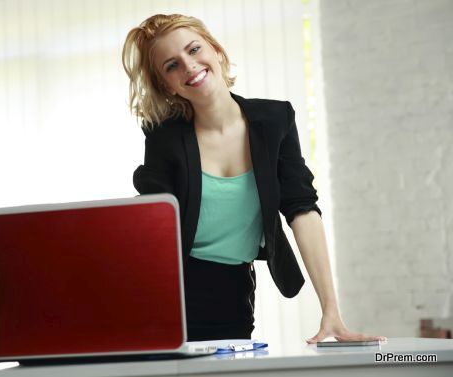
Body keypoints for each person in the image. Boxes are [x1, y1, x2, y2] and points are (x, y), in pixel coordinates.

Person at [122, 13, 385, 343]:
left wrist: (331, 310)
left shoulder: (275, 121)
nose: (188, 67)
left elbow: (302, 209)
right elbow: (153, 219)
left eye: (193, 50)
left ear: (216, 50)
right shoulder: (163, 137)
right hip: (166, 293)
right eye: (171, 66)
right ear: (166, 84)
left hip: (232, 294)